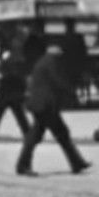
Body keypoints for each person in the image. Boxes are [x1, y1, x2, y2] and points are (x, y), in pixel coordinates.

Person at [16, 44, 90, 176]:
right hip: (45, 105)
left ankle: (77, 162)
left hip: (41, 105)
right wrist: (71, 90)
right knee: (53, 134)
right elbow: (57, 80)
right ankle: (23, 166)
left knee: (55, 134)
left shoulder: (44, 61)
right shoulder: (51, 62)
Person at [0, 27, 30, 141]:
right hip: (14, 80)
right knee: (16, 110)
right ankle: (27, 133)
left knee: (2, 110)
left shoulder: (11, 49)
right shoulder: (17, 47)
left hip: (9, 81)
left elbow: (6, 64)